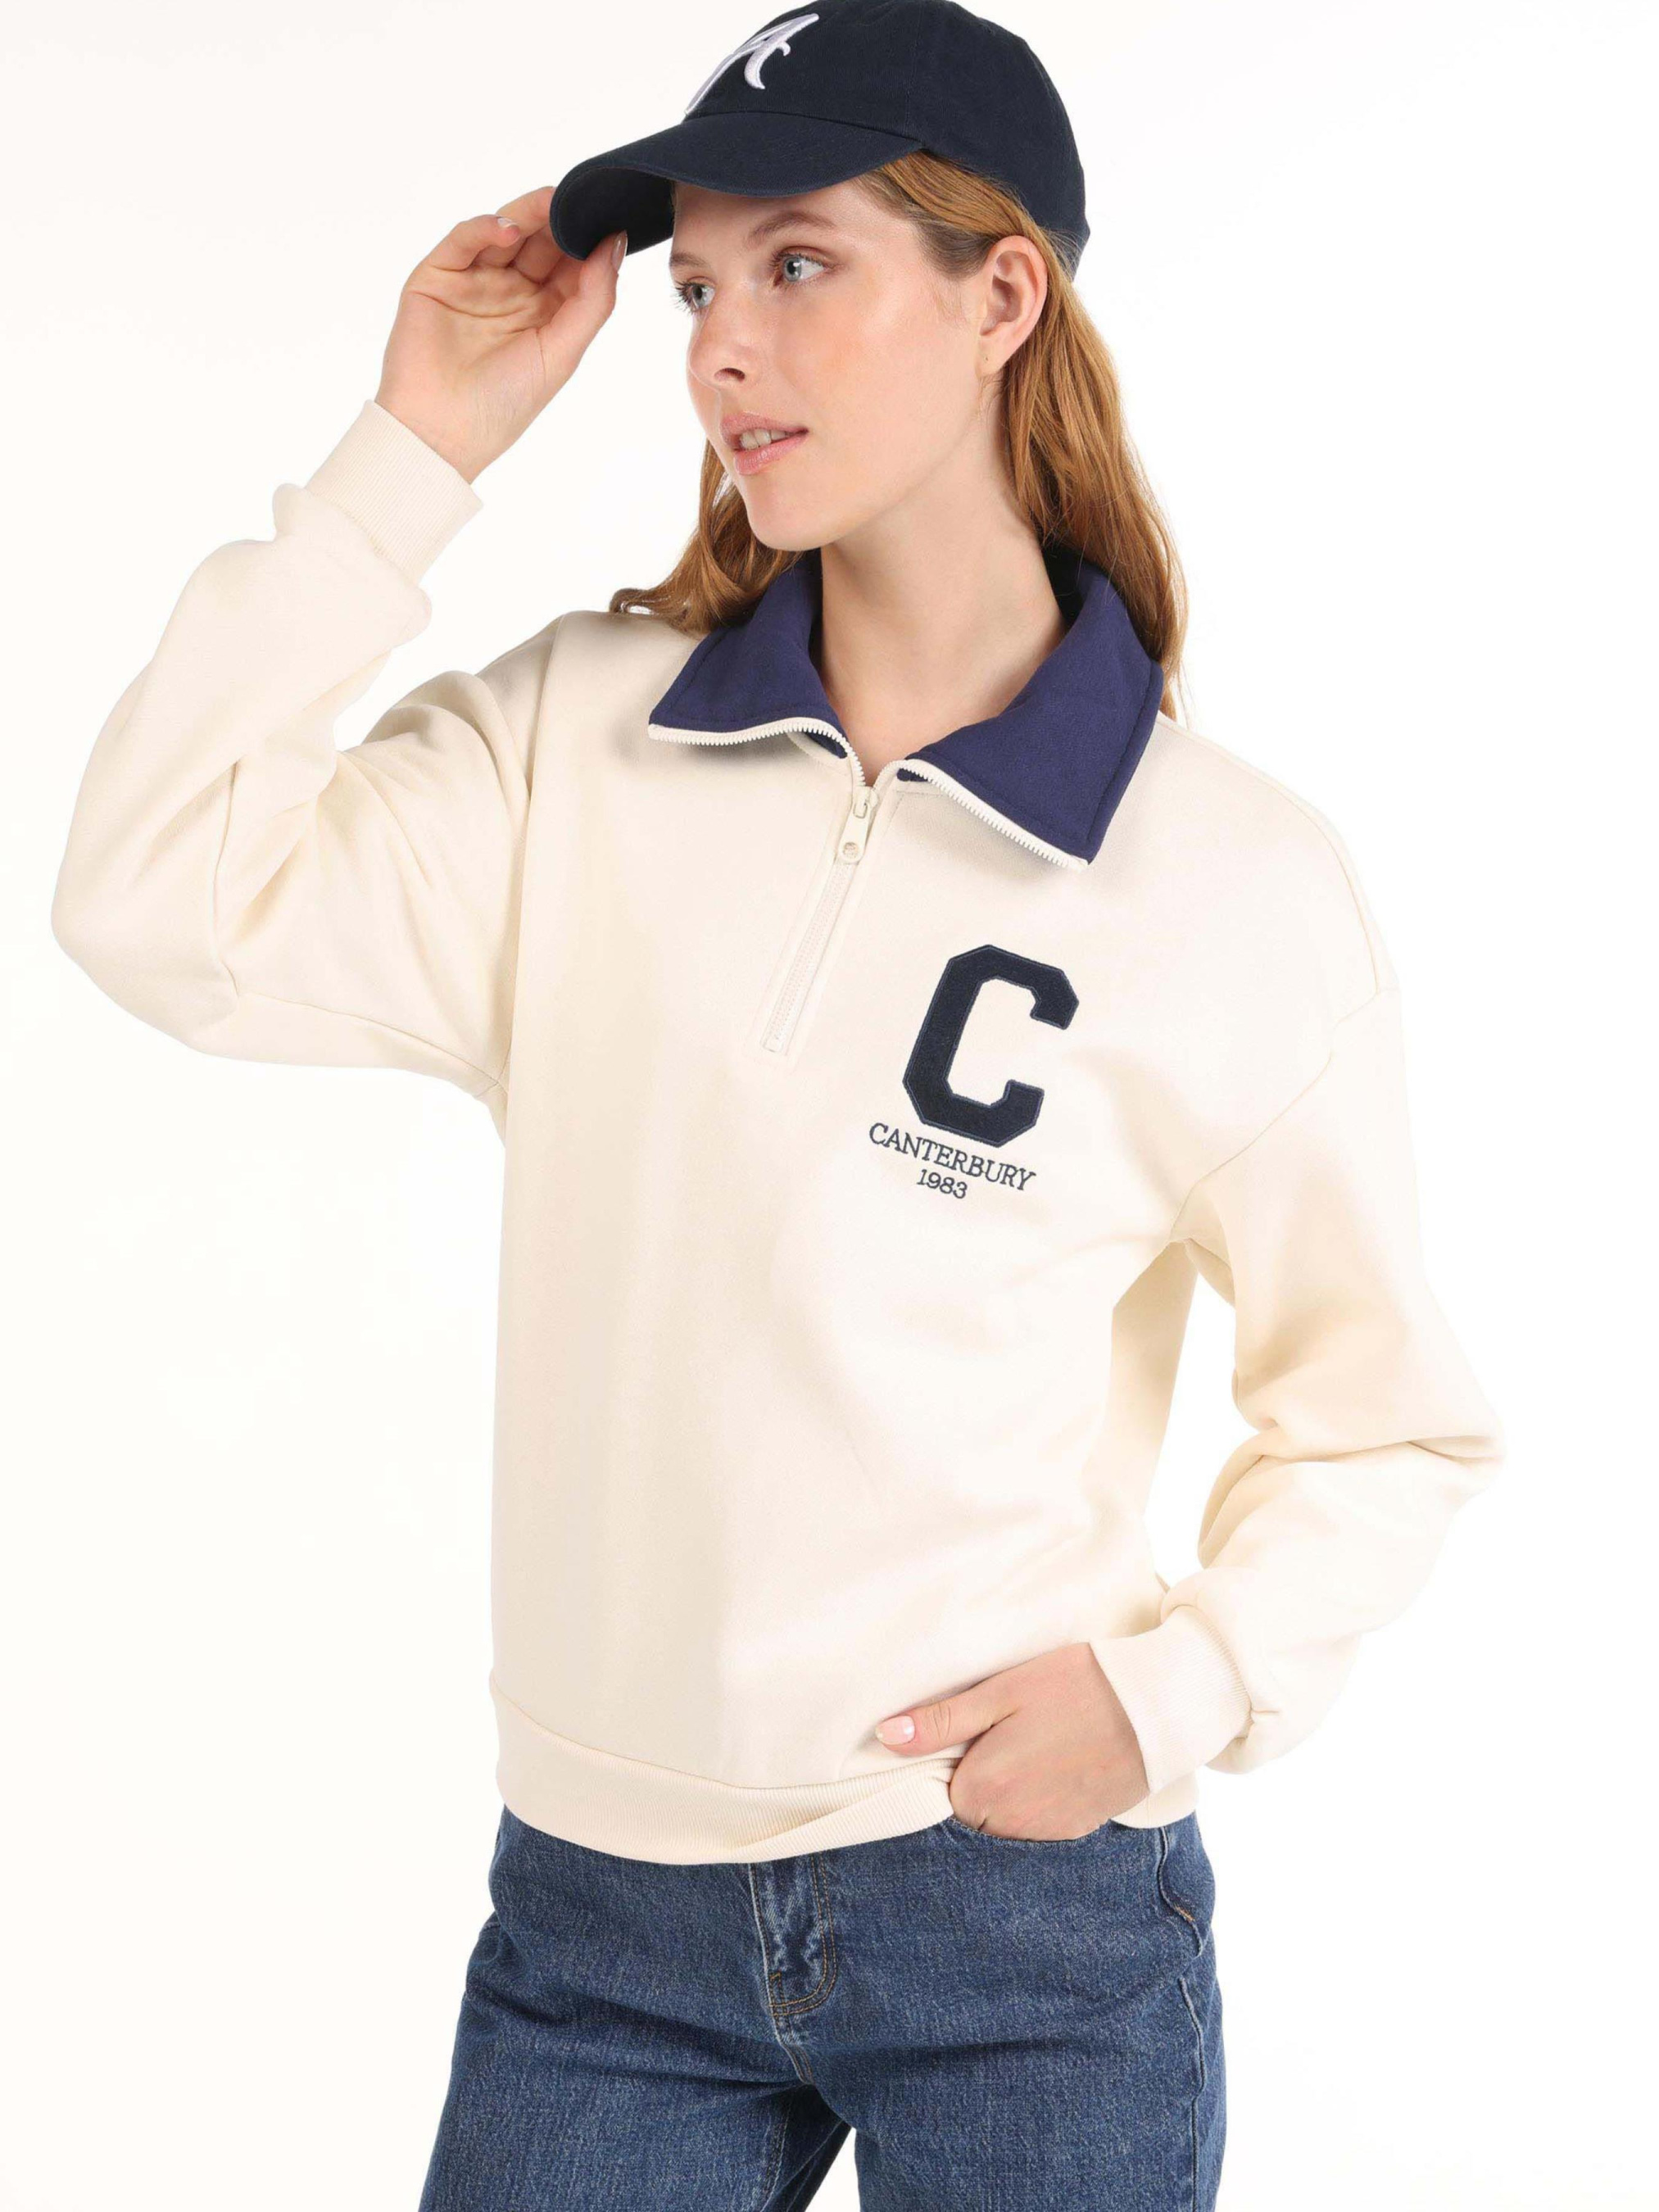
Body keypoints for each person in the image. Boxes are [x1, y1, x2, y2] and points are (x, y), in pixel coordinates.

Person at [50, 1, 1507, 2204]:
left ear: (1001, 294)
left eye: (802, 264)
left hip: (1011, 1914)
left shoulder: (1229, 882)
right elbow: (151, 896)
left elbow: (1386, 1424)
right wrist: (410, 453)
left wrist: (1175, 1690)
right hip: (599, 1925)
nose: (725, 348)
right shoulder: (572, 747)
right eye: (699, 286)